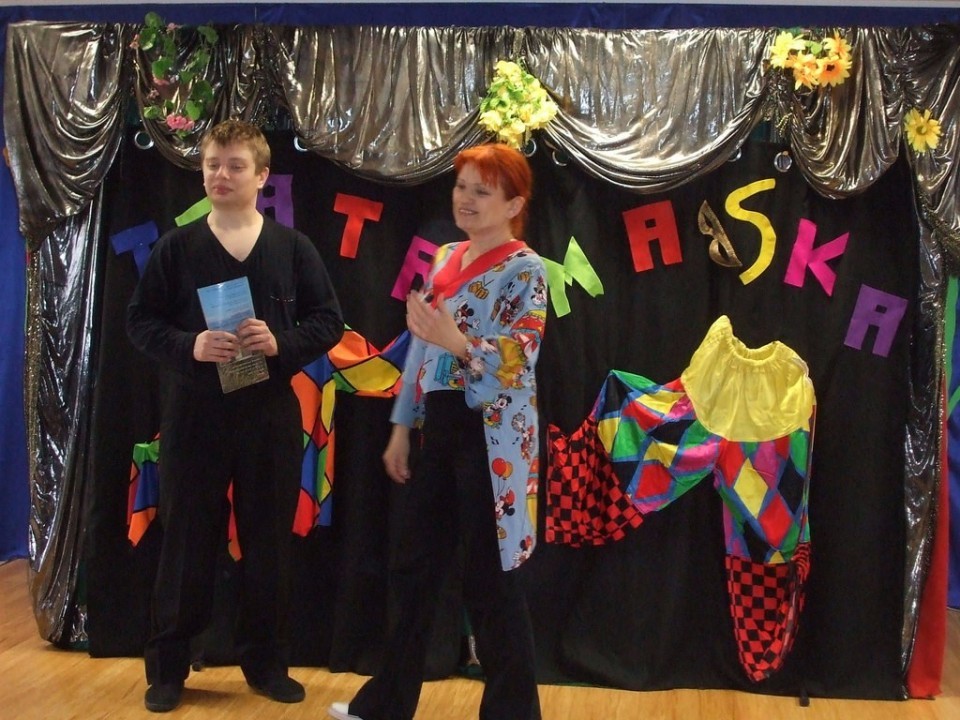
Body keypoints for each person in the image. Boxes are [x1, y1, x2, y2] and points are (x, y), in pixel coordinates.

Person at [127, 119, 344, 713]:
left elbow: (328, 320)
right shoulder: (177, 248)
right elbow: (140, 322)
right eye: (212, 165)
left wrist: (281, 343)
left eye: (234, 166)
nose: (220, 175)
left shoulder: (293, 248)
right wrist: (190, 346)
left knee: (269, 544)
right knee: (185, 542)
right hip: (194, 416)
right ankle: (169, 668)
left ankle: (267, 663)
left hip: (268, 416)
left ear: (262, 176)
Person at [328, 142, 547, 720]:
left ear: (514, 204)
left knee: (491, 580)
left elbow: (520, 358)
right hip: (441, 429)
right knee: (412, 569)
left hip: (493, 438)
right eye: (461, 186)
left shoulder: (526, 269)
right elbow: (421, 352)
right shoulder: (447, 256)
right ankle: (385, 705)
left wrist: (458, 341)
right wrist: (402, 426)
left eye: (482, 191)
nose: (465, 199)